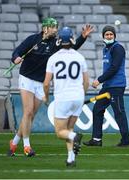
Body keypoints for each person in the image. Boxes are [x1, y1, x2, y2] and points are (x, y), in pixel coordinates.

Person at [8, 17, 93, 157]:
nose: (55, 29)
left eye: (56, 27)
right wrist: (15, 58)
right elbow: (17, 52)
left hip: (41, 82)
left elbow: (72, 46)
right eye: (53, 27)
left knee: (30, 116)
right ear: (45, 28)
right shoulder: (33, 39)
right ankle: (27, 146)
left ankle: (14, 142)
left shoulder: (55, 43)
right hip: (26, 79)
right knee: (28, 112)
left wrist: (82, 38)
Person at [43, 27, 89, 167]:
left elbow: (46, 83)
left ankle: (74, 137)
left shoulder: (53, 58)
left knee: (60, 132)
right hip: (78, 96)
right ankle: (70, 158)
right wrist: (82, 95)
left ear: (58, 41)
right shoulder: (79, 57)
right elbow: (86, 81)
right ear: (72, 39)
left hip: (63, 97)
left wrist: (46, 97)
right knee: (69, 129)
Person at [83, 25, 129, 147]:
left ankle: (126, 141)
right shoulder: (106, 49)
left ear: (114, 36)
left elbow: (114, 68)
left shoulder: (118, 48)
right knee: (98, 109)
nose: (109, 36)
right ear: (103, 37)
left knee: (119, 112)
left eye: (111, 34)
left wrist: (99, 80)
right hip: (108, 86)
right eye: (106, 35)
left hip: (116, 86)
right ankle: (97, 139)